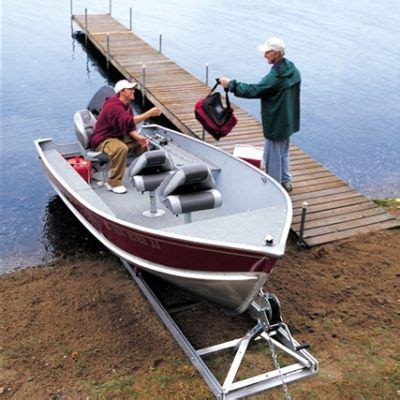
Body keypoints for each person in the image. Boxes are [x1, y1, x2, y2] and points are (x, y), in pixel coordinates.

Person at [219, 37, 301, 192]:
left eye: (267, 52)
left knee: (272, 156)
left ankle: (273, 187)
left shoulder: (276, 76)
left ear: (276, 53)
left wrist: (231, 85)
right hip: (289, 120)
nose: (264, 55)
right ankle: (286, 180)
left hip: (276, 122)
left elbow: (255, 90)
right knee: (283, 152)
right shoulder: (292, 69)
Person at [90, 79, 162, 194]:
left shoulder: (126, 106)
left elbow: (129, 127)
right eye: (131, 89)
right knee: (120, 148)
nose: (134, 91)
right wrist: (149, 113)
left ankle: (140, 171)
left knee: (143, 143)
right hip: (103, 139)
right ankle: (113, 183)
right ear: (122, 91)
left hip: (118, 136)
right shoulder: (112, 105)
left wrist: (139, 139)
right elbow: (129, 122)